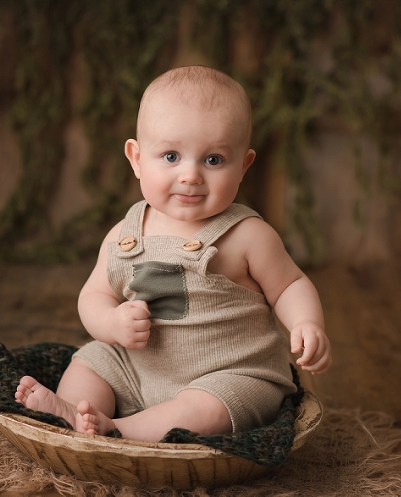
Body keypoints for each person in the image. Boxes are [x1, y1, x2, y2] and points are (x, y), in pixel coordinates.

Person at [16, 65, 331, 442]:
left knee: (211, 409)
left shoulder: (249, 235)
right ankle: (74, 411)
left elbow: (290, 285)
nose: (191, 175)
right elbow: (94, 296)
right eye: (170, 156)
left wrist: (306, 324)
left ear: (244, 165)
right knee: (91, 361)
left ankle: (118, 430)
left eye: (213, 160)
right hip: (137, 368)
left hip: (227, 375)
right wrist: (112, 323)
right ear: (136, 158)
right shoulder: (124, 235)